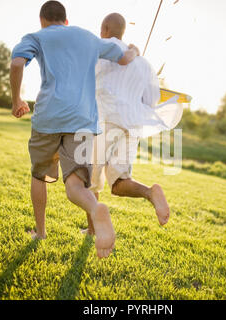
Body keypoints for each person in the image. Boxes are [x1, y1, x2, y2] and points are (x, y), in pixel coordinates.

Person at [10, 1, 140, 259]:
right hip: (82, 121)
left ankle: (41, 232)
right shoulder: (87, 37)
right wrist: (135, 50)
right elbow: (124, 58)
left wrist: (16, 100)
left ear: (42, 20)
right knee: (75, 184)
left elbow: (16, 64)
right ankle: (95, 208)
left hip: (48, 118)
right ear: (66, 20)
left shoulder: (36, 36)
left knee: (39, 176)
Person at [83, 13, 172, 236]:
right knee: (119, 182)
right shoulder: (144, 64)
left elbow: (84, 81)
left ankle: (93, 229)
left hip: (105, 119)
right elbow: (151, 101)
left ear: (104, 28)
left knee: (90, 182)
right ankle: (150, 193)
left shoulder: (99, 47)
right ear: (123, 31)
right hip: (132, 125)